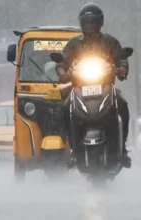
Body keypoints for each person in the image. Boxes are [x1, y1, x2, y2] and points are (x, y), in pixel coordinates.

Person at [55, 2, 131, 168]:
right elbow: (62, 61)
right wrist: (62, 73)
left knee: (123, 105)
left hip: (105, 86)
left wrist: (122, 68)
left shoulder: (110, 42)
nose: (90, 26)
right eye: (87, 22)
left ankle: (123, 149)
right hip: (80, 87)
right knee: (64, 108)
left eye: (93, 22)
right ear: (82, 24)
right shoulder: (74, 44)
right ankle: (74, 150)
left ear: (100, 23)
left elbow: (121, 58)